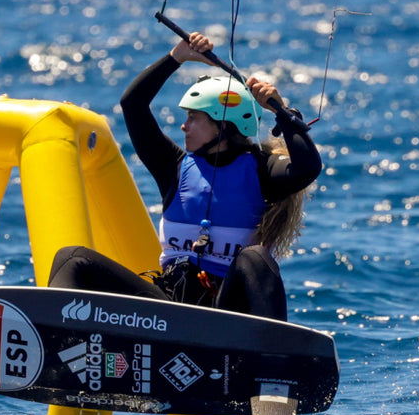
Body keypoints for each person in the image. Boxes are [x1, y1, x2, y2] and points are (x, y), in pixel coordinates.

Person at [48, 31, 322, 322]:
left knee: (257, 259)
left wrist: (282, 113)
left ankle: (272, 355)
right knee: (72, 258)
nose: (184, 126)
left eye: (194, 118)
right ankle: (56, 345)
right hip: (168, 307)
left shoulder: (260, 169)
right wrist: (177, 56)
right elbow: (133, 105)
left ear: (223, 126)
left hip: (228, 313)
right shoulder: (174, 167)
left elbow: (307, 169)